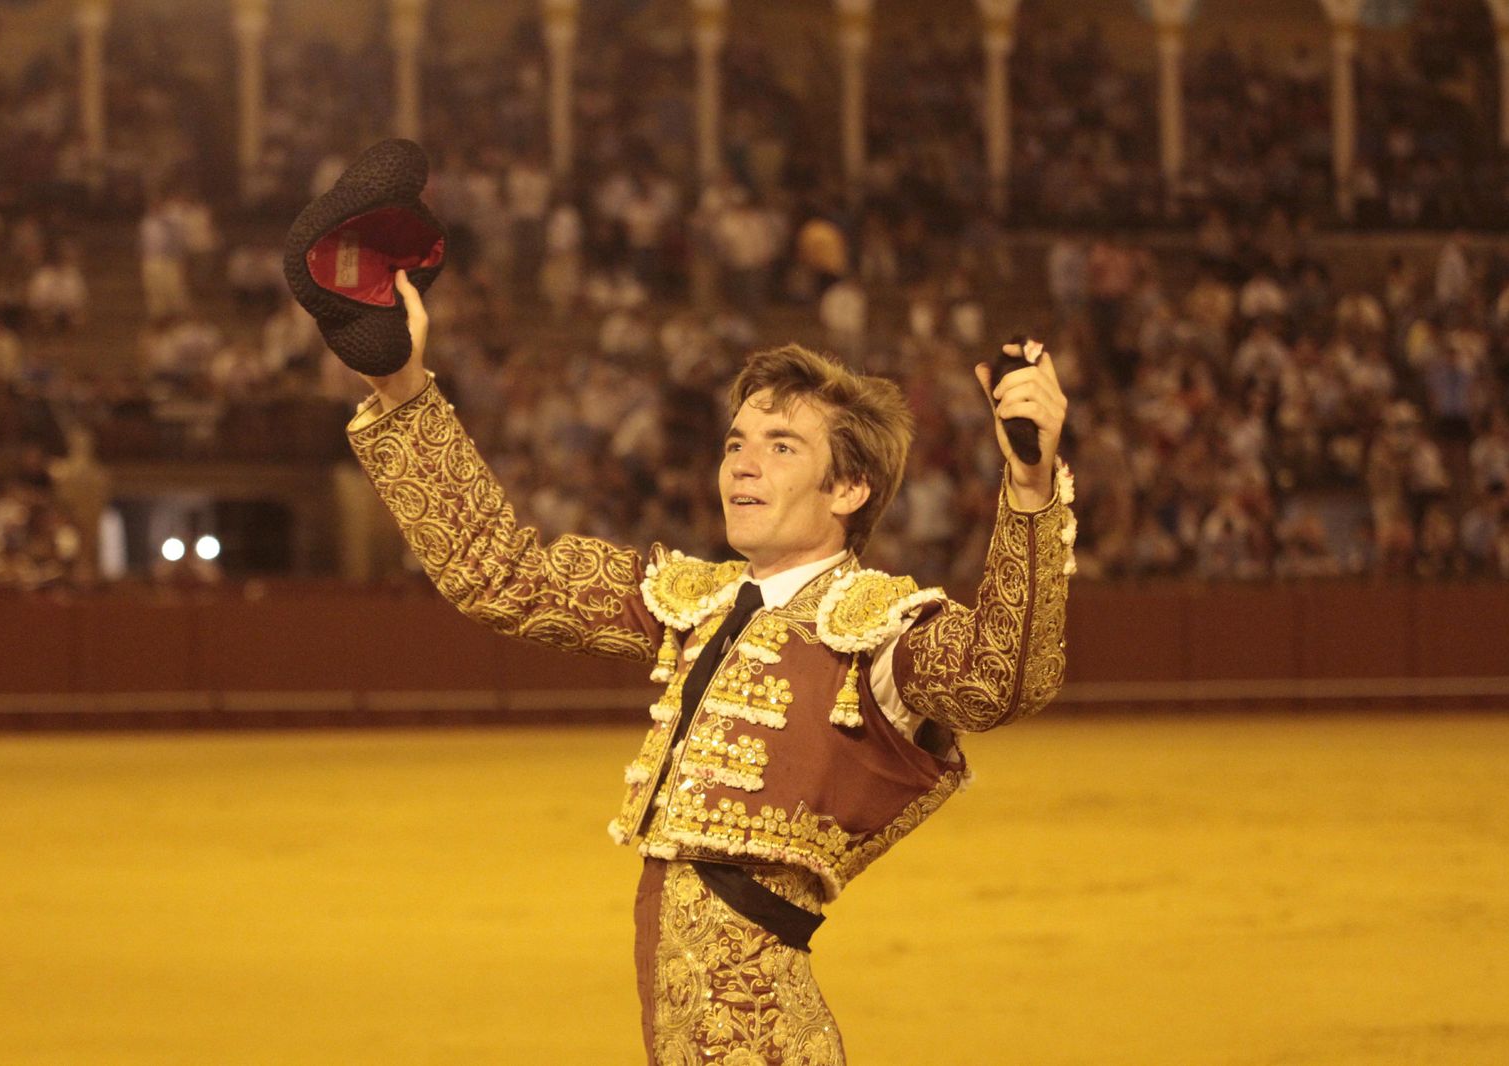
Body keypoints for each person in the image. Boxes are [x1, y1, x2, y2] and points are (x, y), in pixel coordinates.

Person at [346, 271, 1075, 1064]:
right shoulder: (690, 600)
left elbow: (1004, 678)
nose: (742, 466)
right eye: (736, 443)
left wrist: (1030, 490)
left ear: (851, 488)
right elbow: (501, 576)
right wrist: (404, 388)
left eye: (781, 446)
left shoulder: (879, 629)